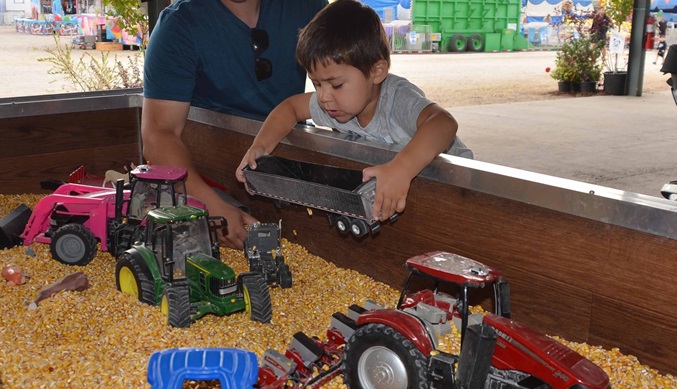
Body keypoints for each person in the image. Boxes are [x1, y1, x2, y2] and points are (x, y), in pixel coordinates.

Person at [235, 0, 473, 223]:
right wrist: (261, 146)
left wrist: (401, 168)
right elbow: (289, 108)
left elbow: (443, 122)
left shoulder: (395, 98)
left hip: (461, 190)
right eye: (317, 84)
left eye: (336, 85)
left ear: (377, 71)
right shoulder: (335, 106)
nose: (325, 97)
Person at [141, 0, 326, 250]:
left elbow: (350, 85)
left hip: (289, 172)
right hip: (214, 180)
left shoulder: (308, 7)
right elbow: (158, 135)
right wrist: (210, 204)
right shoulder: (179, 25)